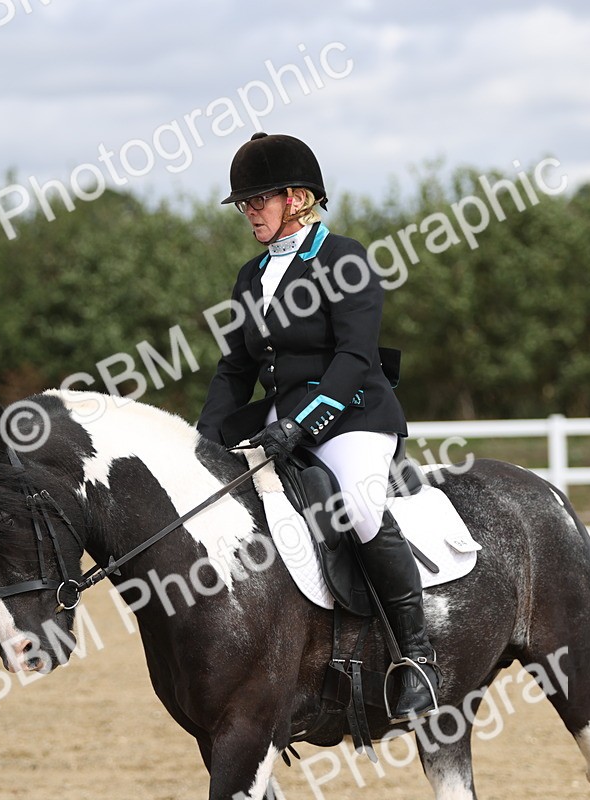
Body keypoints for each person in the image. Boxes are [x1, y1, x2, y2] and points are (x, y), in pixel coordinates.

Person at [196, 132, 438, 721]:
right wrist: (200, 441)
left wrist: (303, 425)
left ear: (298, 198)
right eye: (245, 203)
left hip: (351, 413)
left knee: (358, 508)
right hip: (282, 418)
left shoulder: (344, 259)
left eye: (259, 200)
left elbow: (356, 358)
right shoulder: (251, 277)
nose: (249, 211)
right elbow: (236, 367)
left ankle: (416, 656)